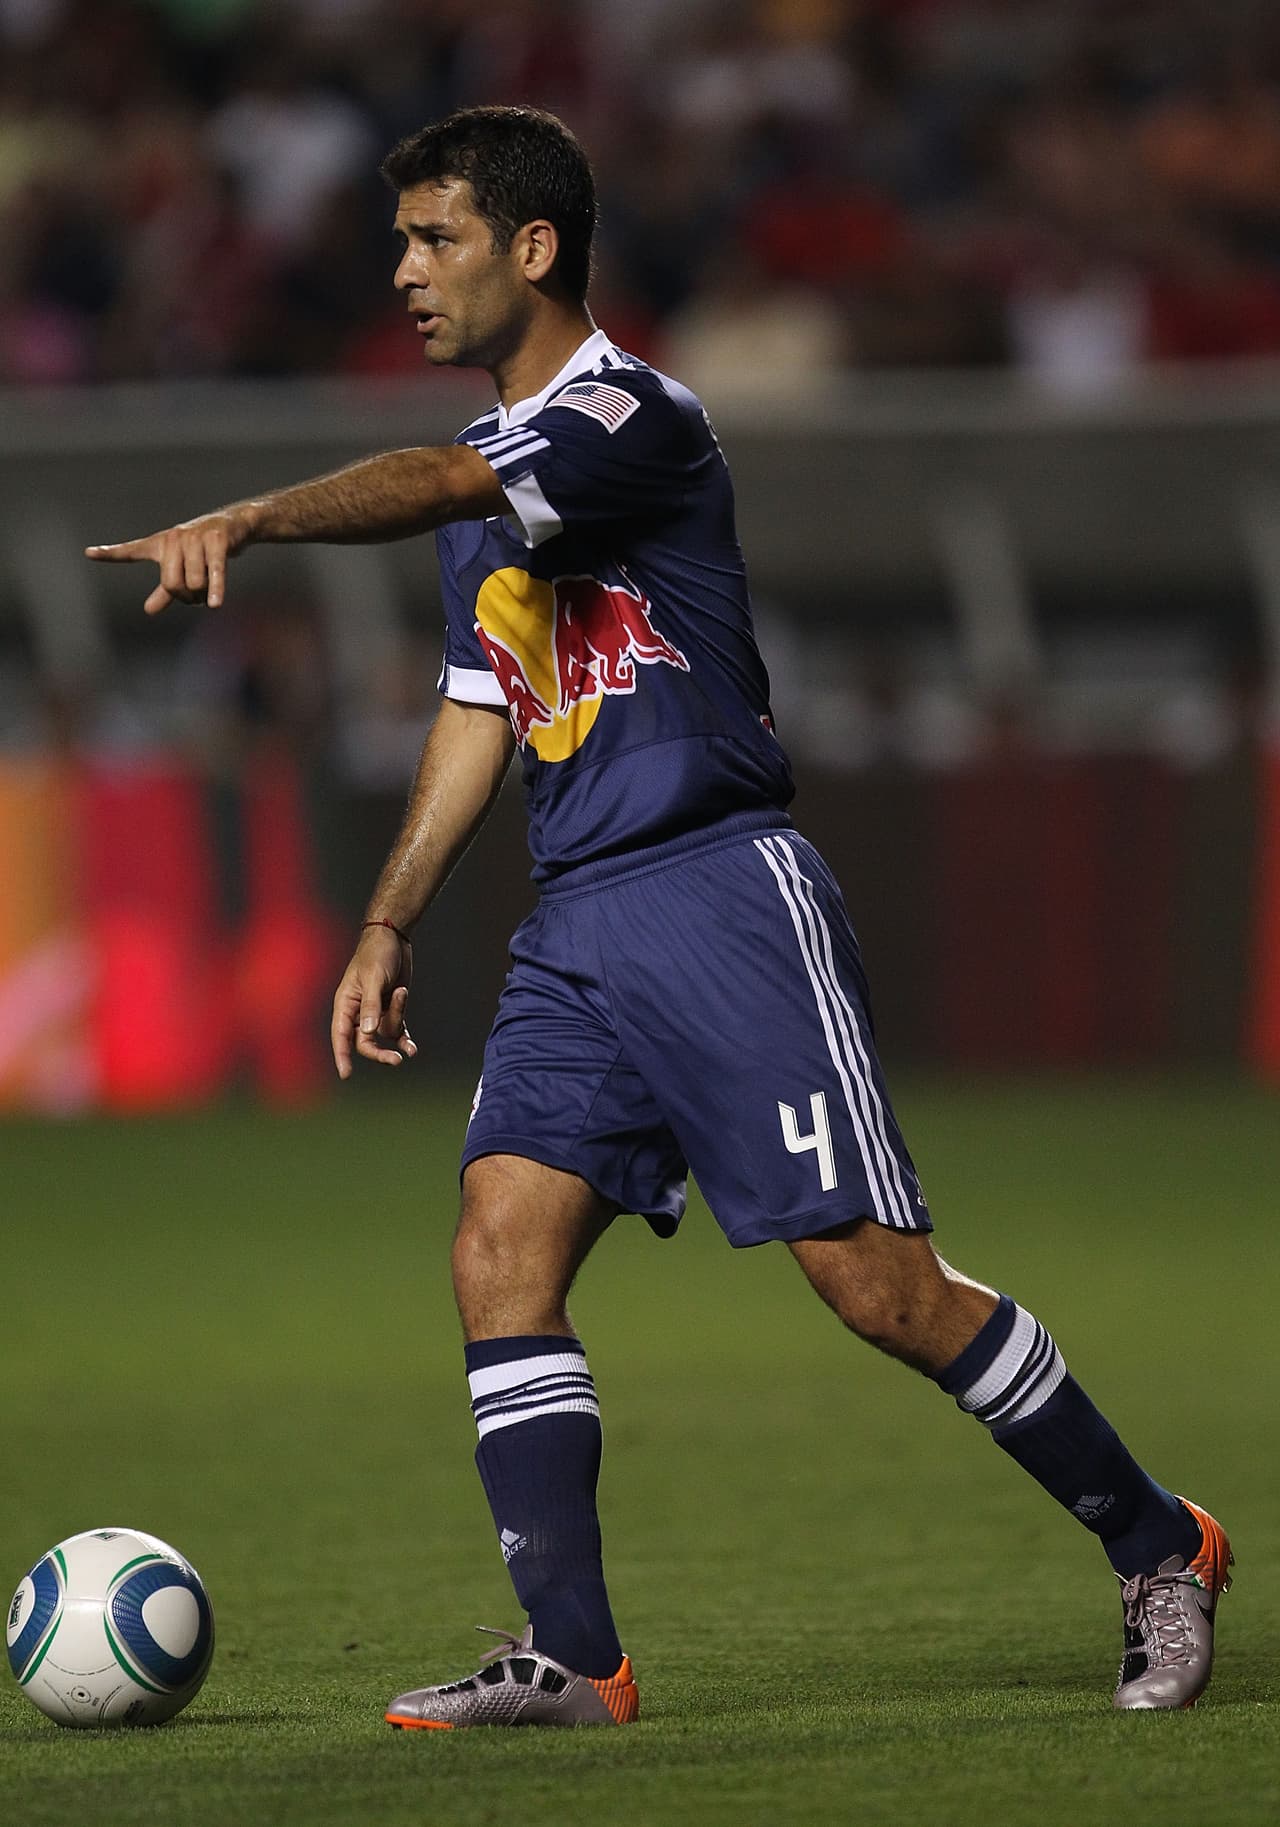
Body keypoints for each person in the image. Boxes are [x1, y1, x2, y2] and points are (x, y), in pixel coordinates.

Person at [88, 105, 1232, 1728]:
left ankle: (1154, 1542)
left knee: (878, 1286)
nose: (404, 271)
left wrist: (252, 518)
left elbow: (426, 479)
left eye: (436, 238)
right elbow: (484, 704)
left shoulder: (631, 414)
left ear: (534, 248)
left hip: (719, 889)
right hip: (578, 924)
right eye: (402, 240)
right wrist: (392, 917)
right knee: (500, 1247)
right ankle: (574, 1655)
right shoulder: (487, 497)